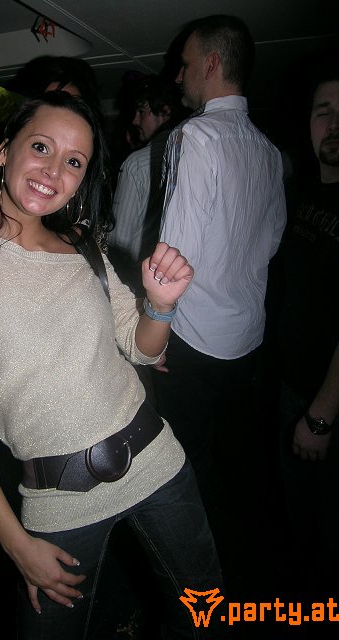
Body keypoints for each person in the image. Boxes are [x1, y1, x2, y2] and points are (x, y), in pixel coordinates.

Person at [0, 91, 226, 639]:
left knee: (208, 612)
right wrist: (16, 544)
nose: (54, 171)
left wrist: (161, 305)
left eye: (74, 161)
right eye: (41, 147)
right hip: (59, 503)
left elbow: (142, 348)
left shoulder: (83, 247)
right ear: (4, 151)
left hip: (158, 462)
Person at [152, 15, 287, 510]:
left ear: (210, 64)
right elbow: (272, 240)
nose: (179, 76)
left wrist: (155, 328)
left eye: (185, 64)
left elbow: (174, 254)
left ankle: (194, 549)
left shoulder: (194, 137)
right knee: (232, 455)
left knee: (181, 461)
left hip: (195, 340)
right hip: (247, 339)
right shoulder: (270, 153)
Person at [277, 68, 339, 608]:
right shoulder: (303, 191)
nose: (334, 124)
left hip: (328, 404)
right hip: (293, 387)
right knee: (302, 522)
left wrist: (322, 414)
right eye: (324, 112)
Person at [108, 75, 183, 294]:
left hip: (139, 282)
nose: (135, 120)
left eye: (142, 112)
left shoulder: (136, 164)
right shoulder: (192, 157)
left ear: (165, 111)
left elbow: (119, 242)